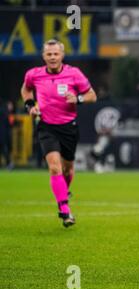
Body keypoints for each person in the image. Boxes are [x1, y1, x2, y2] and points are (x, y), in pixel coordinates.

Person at [21, 39, 97, 227]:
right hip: (46, 126)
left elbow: (92, 96)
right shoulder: (34, 75)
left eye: (56, 54)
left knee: (67, 169)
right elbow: (26, 89)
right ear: (43, 56)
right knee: (54, 167)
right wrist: (30, 105)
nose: (53, 57)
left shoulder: (74, 73)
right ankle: (64, 210)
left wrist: (78, 98)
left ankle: (64, 192)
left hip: (68, 127)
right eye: (49, 54)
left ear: (62, 55)